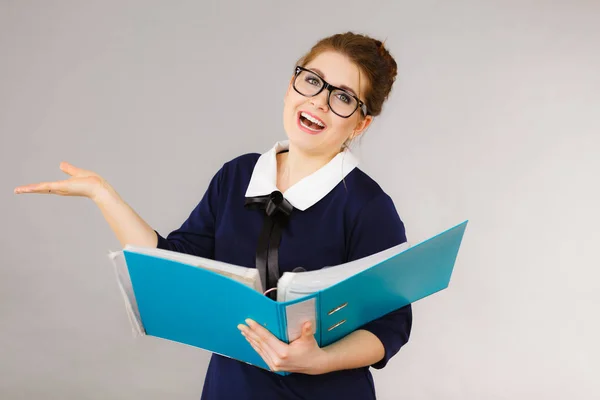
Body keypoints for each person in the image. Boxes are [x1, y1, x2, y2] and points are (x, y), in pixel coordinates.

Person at [14, 31, 412, 400]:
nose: (319, 101)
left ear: (360, 124)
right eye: (312, 80)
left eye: (343, 97)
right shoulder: (236, 176)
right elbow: (174, 261)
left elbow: (390, 326)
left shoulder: (368, 207)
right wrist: (104, 195)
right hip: (231, 389)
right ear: (292, 83)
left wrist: (318, 360)